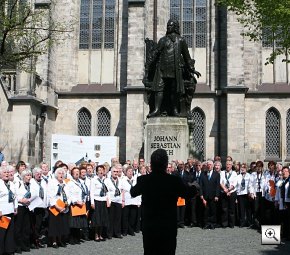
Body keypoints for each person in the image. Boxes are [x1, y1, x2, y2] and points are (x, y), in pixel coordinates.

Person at [130, 149, 196, 255]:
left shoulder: (144, 180)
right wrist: (194, 187)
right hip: (168, 225)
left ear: (151, 164)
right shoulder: (174, 181)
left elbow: (133, 192)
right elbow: (188, 193)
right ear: (166, 164)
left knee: (150, 251)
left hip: (150, 225)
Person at [144, 19, 200, 118]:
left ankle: (175, 110)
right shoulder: (163, 40)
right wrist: (149, 62)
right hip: (162, 69)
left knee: (175, 90)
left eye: (170, 26)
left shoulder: (181, 40)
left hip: (175, 70)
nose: (168, 27)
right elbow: (156, 53)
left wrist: (192, 69)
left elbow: (187, 57)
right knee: (159, 89)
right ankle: (157, 110)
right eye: (167, 26)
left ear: (175, 27)